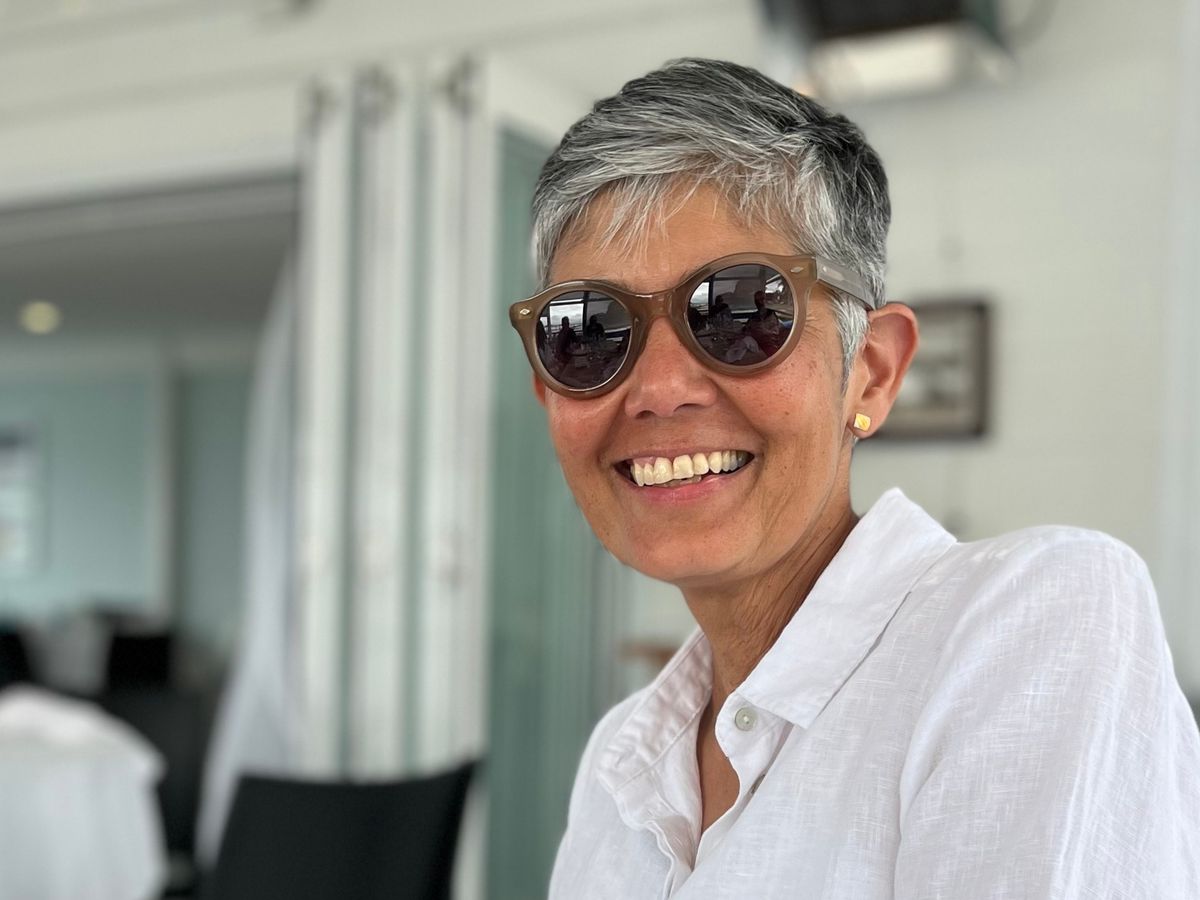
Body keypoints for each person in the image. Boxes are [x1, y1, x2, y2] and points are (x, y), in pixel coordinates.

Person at [508, 58, 1200, 897]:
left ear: (870, 372)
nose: (658, 390)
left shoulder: (1034, 625)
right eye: (586, 332)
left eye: (738, 312)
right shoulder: (619, 761)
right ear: (549, 393)